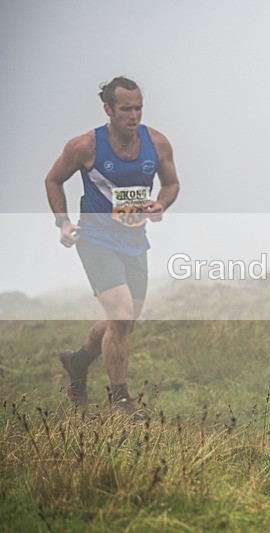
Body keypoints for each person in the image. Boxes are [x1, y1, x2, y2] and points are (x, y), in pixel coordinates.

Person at [44, 76, 180, 418]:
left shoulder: (157, 143)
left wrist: (161, 204)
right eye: (125, 109)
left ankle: (78, 361)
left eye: (138, 108)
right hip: (95, 240)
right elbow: (54, 179)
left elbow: (172, 184)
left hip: (134, 241)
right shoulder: (85, 146)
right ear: (108, 109)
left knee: (124, 322)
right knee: (120, 316)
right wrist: (62, 221)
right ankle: (121, 402)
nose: (133, 115)